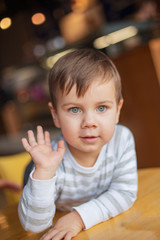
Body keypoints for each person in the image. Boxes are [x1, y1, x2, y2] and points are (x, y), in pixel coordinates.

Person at [18, 48, 138, 240]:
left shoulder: (122, 140)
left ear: (117, 110)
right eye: (75, 109)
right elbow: (34, 225)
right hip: (40, 179)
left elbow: (124, 193)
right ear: (55, 115)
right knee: (32, 181)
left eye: (101, 108)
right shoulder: (51, 162)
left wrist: (78, 218)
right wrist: (44, 173)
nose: (89, 122)